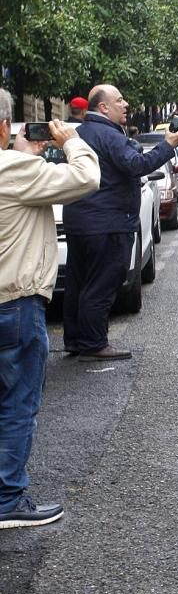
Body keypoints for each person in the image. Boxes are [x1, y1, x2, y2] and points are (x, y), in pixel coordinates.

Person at [0, 96, 100, 529]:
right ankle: (7, 498)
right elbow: (86, 177)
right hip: (14, 303)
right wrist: (74, 139)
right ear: (4, 125)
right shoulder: (12, 170)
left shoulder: (14, 168)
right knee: (16, 403)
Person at [63, 85, 178, 359]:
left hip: (79, 222)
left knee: (79, 283)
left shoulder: (79, 133)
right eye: (119, 100)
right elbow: (136, 166)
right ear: (103, 107)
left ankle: (75, 339)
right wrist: (169, 146)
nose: (126, 104)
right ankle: (94, 343)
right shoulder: (110, 136)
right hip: (108, 223)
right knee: (103, 282)